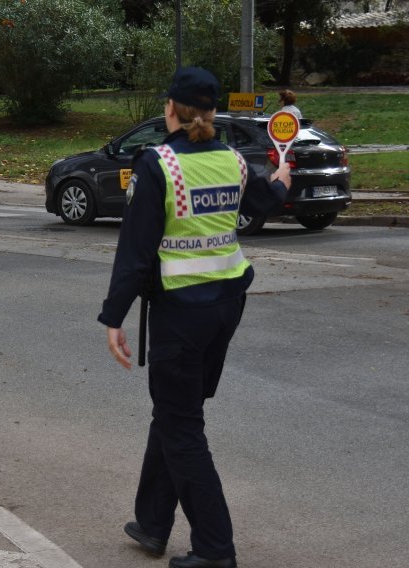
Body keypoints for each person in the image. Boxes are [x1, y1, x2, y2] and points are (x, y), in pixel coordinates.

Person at [98, 67, 292, 568]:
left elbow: (136, 252)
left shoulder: (157, 164)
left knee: (182, 426)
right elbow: (260, 203)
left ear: (170, 110)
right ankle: (152, 522)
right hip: (226, 307)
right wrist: (280, 185)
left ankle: (214, 549)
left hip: (181, 313)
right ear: (208, 112)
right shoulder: (231, 158)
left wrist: (112, 318)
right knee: (176, 411)